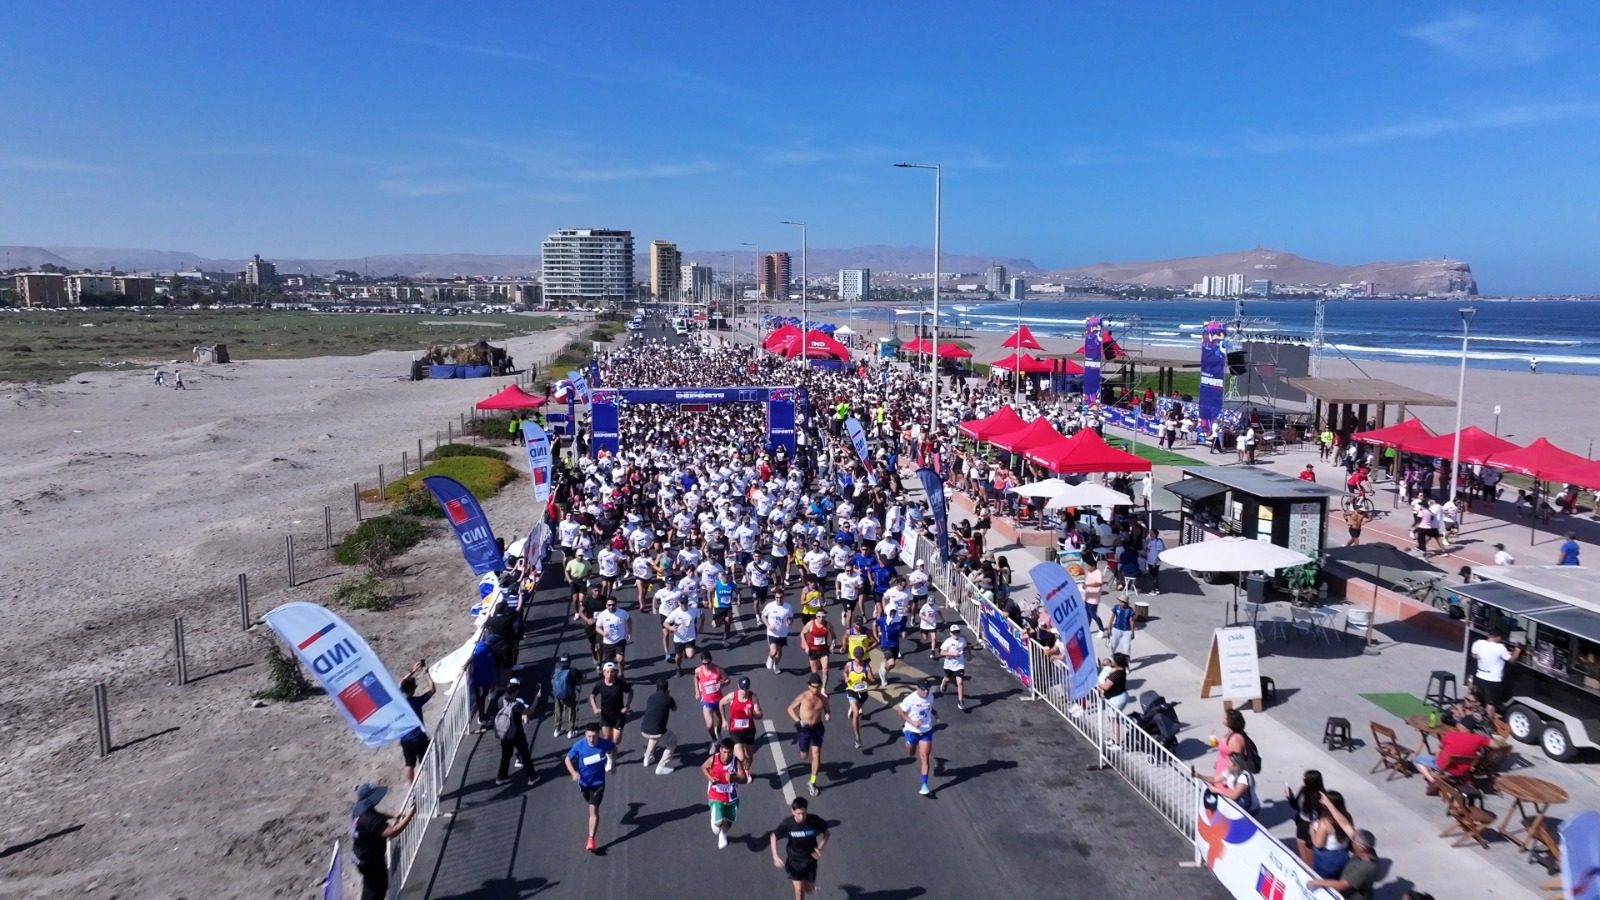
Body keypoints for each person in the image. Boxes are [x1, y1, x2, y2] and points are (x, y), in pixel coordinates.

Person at [350, 783, 415, 900]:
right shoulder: (369, 819)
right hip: (370, 861)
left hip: (361, 857)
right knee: (376, 892)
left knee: (371, 887)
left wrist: (395, 815)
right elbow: (393, 831)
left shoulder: (359, 810)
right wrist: (409, 816)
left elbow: (377, 814)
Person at [564, 723, 617, 853]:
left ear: (598, 734)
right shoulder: (579, 745)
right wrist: (574, 773)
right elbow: (567, 759)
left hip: (598, 783)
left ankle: (591, 839)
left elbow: (613, 748)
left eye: (594, 736)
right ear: (585, 735)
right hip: (584, 783)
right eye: (589, 736)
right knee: (589, 803)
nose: (591, 739)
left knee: (593, 810)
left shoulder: (604, 743)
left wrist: (612, 762)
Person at [1413, 713, 1492, 790]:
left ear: (1462, 726)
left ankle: (1433, 781)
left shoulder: (1450, 735)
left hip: (1444, 767)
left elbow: (1440, 747)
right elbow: (1495, 744)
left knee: (1417, 760)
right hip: (1463, 770)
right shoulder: (1479, 739)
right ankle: (1467, 781)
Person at [770, 797, 829, 899]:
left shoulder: (814, 820)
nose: (801, 817)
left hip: (810, 861)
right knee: (799, 892)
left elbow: (827, 833)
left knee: (808, 890)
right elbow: (773, 836)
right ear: (793, 811)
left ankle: (810, 886)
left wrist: (820, 847)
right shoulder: (788, 823)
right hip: (795, 861)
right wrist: (775, 856)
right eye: (798, 813)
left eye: (804, 813)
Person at [787, 673, 832, 796]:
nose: (815, 689)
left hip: (817, 728)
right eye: (813, 686)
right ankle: (802, 748)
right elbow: (790, 709)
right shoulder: (803, 697)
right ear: (809, 685)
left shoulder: (823, 698)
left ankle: (812, 782)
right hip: (804, 728)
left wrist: (827, 714)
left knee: (816, 754)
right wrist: (798, 721)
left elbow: (827, 708)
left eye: (818, 687)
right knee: (804, 756)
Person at [703, 736, 750, 849]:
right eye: (724, 752)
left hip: (731, 797)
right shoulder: (713, 759)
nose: (726, 756)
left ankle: (723, 835)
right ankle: (716, 819)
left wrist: (734, 778)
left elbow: (744, 779)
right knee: (716, 827)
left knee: (729, 821)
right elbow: (703, 767)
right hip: (716, 795)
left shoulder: (736, 762)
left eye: (729, 753)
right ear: (720, 750)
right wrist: (709, 778)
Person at [1307, 828, 1379, 900]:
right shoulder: (1367, 850)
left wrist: (1317, 882)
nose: (1351, 842)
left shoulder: (1365, 867)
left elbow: (1342, 885)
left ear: (1361, 848)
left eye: (1353, 841)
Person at [898, 677, 941, 795]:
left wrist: (935, 713)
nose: (926, 692)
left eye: (928, 689)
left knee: (924, 757)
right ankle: (907, 737)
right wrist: (912, 723)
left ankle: (924, 786)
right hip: (911, 730)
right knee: (911, 753)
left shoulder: (930, 696)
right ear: (918, 688)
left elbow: (929, 707)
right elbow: (900, 712)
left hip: (926, 730)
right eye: (923, 689)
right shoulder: (910, 699)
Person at [493, 678, 537, 786]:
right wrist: (537, 698)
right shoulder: (517, 705)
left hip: (504, 732)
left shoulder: (500, 700)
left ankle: (501, 776)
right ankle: (532, 777)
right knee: (524, 754)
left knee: (506, 754)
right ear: (516, 691)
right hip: (516, 732)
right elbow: (530, 711)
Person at [588, 662, 632, 768]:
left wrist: (627, 706)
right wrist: (594, 708)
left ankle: (612, 751)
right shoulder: (600, 684)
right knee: (607, 739)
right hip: (605, 716)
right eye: (607, 672)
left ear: (615, 672)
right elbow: (592, 695)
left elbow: (631, 692)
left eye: (612, 672)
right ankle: (610, 760)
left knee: (616, 740)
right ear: (604, 673)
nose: (610, 674)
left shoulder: (620, 684)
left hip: (618, 716)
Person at [1470, 630, 1520, 719]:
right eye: (1501, 638)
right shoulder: (1500, 647)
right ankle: (1487, 724)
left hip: (1479, 676)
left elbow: (1474, 655)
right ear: (1497, 636)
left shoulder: (1478, 643)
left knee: (1479, 700)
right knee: (1490, 704)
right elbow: (1511, 660)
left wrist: (1484, 657)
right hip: (1493, 680)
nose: (1501, 640)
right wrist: (1517, 651)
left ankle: (1475, 719)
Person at [398, 659, 433, 784]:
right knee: (425, 761)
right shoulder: (417, 702)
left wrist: (412, 672)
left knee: (409, 764)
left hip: (404, 739)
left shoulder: (398, 699)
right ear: (414, 689)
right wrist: (426, 673)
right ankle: (429, 785)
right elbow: (432, 689)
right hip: (419, 738)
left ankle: (410, 787)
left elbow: (400, 684)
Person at [722, 676, 764, 775]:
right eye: (742, 688)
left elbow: (760, 715)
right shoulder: (732, 696)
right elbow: (721, 703)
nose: (744, 690)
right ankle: (737, 771)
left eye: (746, 688)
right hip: (735, 730)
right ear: (738, 687)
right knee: (741, 757)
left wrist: (752, 714)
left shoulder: (753, 697)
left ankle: (746, 770)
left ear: (749, 687)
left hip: (749, 730)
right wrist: (724, 720)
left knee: (749, 756)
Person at [1285, 769, 1327, 868]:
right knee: (1302, 849)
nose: (1302, 779)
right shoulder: (1303, 790)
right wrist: (1290, 797)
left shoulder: (1319, 798)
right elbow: (1296, 806)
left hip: (1311, 826)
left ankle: (1309, 869)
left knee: (1310, 855)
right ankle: (1304, 866)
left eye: (1305, 778)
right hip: (1301, 822)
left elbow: (1322, 815)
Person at [638, 678, 679, 774]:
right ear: (667, 688)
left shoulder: (651, 697)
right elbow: (675, 708)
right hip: (658, 731)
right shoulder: (668, 698)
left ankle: (647, 758)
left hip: (644, 730)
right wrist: (668, 695)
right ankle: (661, 766)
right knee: (673, 742)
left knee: (654, 737)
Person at [841, 646, 878, 749]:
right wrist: (846, 678)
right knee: (856, 714)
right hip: (851, 691)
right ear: (854, 656)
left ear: (862, 656)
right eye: (856, 657)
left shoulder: (866, 667)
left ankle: (854, 708)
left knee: (856, 709)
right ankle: (857, 738)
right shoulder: (849, 665)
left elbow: (874, 681)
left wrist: (866, 679)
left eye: (860, 657)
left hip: (863, 694)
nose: (858, 659)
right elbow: (844, 672)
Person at [694, 650, 729, 742]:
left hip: (718, 700)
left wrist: (723, 684)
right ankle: (714, 740)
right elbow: (696, 677)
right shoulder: (698, 670)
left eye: (708, 663)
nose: (706, 665)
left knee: (720, 720)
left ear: (711, 660)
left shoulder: (718, 669)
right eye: (704, 663)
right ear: (701, 662)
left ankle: (718, 731)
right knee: (709, 724)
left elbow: (727, 680)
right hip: (706, 701)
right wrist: (697, 690)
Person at [663, 598, 701, 675]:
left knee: (690, 655)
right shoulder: (675, 612)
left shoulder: (693, 610)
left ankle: (685, 651)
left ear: (687, 602)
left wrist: (701, 626)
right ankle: (678, 668)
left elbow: (702, 614)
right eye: (682, 602)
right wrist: (670, 628)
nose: (684, 604)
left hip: (690, 637)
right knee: (678, 657)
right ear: (679, 603)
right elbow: (665, 623)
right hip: (679, 639)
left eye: (685, 602)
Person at [593, 595, 631, 668]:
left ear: (616, 605)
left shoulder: (622, 612)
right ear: (606, 605)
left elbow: (629, 619)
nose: (611, 607)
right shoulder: (602, 615)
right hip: (608, 642)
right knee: (610, 665)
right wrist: (603, 633)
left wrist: (629, 631)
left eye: (613, 605)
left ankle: (621, 674)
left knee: (620, 659)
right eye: (609, 605)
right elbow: (597, 627)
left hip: (620, 640)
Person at [937, 624, 968, 710]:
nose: (955, 634)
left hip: (959, 665)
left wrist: (968, 654)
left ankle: (960, 701)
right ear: (950, 633)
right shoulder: (948, 642)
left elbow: (965, 648)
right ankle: (945, 682)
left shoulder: (962, 640)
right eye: (954, 632)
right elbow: (942, 652)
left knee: (960, 682)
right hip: (949, 665)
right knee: (948, 678)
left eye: (957, 632)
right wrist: (952, 653)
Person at [762, 591, 796, 673]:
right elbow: (763, 615)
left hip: (782, 633)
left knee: (779, 653)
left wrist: (789, 622)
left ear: (783, 597)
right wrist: (768, 626)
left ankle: (776, 665)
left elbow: (791, 617)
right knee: (774, 652)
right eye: (777, 597)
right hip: (772, 633)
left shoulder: (788, 607)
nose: (778, 599)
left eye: (780, 597)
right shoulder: (770, 606)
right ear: (775, 597)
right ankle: (770, 658)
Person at [550, 653, 582, 738]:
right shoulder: (573, 671)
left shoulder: (556, 670)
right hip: (569, 694)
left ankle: (557, 729)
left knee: (557, 710)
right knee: (571, 709)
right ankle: (571, 730)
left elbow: (551, 678)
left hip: (557, 694)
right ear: (569, 661)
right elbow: (581, 678)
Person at [801, 612, 835, 691]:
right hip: (813, 650)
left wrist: (833, 644)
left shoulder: (828, 625)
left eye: (823, 617)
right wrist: (806, 646)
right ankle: (814, 688)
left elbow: (834, 636)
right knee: (815, 672)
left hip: (824, 650)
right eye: (818, 616)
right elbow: (802, 634)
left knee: (825, 669)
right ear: (816, 616)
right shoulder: (811, 624)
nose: (821, 619)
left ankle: (823, 689)